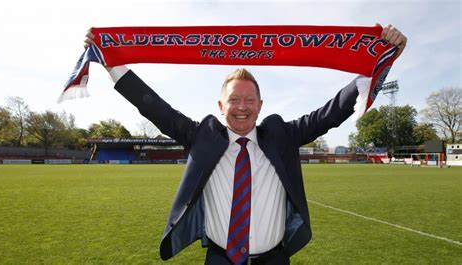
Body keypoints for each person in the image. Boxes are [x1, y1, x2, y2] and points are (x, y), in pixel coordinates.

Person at [84, 24, 407, 264]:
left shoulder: (282, 135)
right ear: (220, 106)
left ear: (260, 105)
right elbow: (154, 106)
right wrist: (110, 61)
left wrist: (378, 60)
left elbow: (331, 112)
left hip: (274, 258)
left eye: (249, 100)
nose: (242, 106)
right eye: (234, 99)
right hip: (220, 258)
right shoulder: (202, 137)